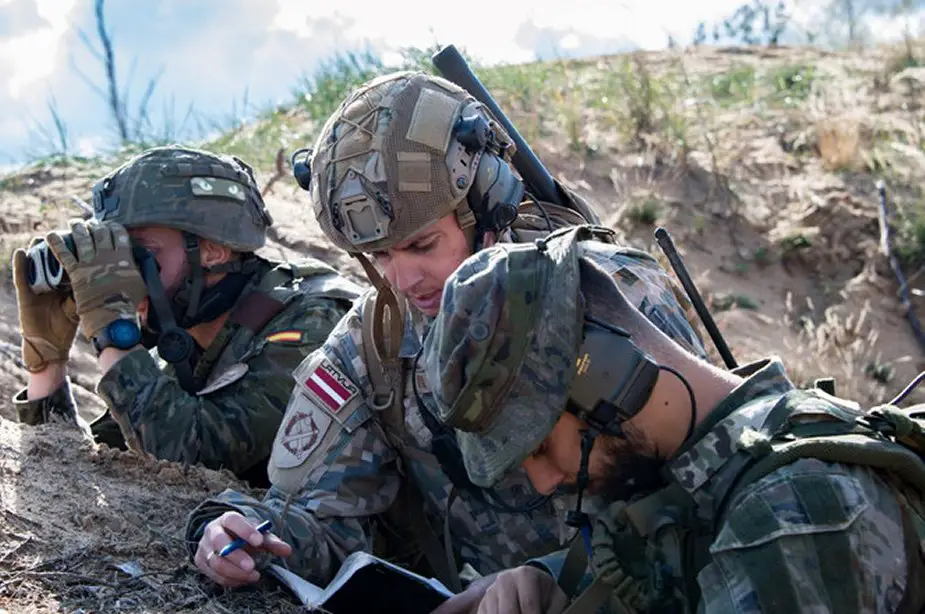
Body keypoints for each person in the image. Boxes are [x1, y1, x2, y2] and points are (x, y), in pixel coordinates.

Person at [187, 71, 710, 595]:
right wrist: (244, 535)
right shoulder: (372, 350)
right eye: (379, 255)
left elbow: (707, 490)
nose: (401, 279)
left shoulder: (612, 296)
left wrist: (557, 578)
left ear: (488, 207)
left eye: (422, 246)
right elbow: (322, 522)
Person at [420, 224, 925, 614]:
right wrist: (549, 580)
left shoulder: (791, 518)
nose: (545, 481)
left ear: (608, 376)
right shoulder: (685, 481)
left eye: (541, 447)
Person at [11, 145, 361, 486]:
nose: (124, 276)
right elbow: (80, 476)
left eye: (139, 255)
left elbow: (198, 461)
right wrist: (47, 366)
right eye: (116, 258)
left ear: (212, 250)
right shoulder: (182, 354)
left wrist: (112, 330)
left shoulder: (312, 321)